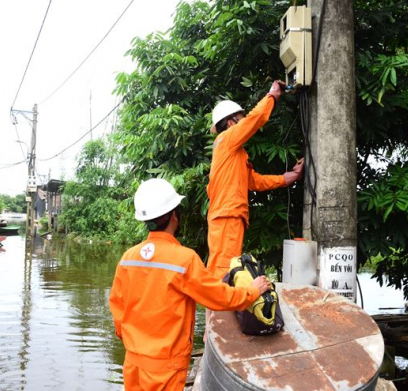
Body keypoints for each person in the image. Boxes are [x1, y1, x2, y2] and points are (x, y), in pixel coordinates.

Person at [109, 178, 271, 391]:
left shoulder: (128, 258)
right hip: (166, 369)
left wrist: (136, 343)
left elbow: (117, 309)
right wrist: (252, 291)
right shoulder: (183, 260)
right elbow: (219, 297)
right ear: (175, 216)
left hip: (133, 363)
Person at [207, 80, 305, 280]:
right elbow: (256, 119)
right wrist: (272, 96)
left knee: (226, 269)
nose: (244, 123)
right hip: (227, 214)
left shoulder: (235, 153)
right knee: (223, 271)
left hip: (229, 215)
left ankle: (222, 309)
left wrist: (286, 178)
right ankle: (221, 310)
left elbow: (254, 181)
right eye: (240, 119)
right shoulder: (226, 140)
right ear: (231, 122)